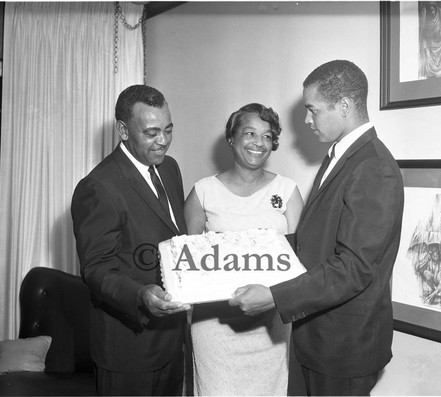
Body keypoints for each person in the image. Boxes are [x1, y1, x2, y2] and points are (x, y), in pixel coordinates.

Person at [230, 60, 405, 396]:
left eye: (313, 110)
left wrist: (273, 296)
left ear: (344, 106)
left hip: (344, 348)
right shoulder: (341, 156)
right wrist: (251, 253)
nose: (307, 120)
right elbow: (318, 239)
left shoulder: (374, 167)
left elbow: (354, 268)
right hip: (319, 337)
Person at [71, 85, 190, 396]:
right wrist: (140, 294)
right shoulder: (98, 186)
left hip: (171, 339)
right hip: (127, 348)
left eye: (168, 129)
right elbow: (96, 269)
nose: (162, 140)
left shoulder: (170, 168)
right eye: (151, 132)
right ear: (123, 131)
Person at [184, 103, 304, 395]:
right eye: (249, 133)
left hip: (270, 325)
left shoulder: (287, 191)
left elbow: (300, 260)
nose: (258, 143)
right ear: (232, 138)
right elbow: (188, 264)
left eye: (266, 136)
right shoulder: (203, 192)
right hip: (214, 324)